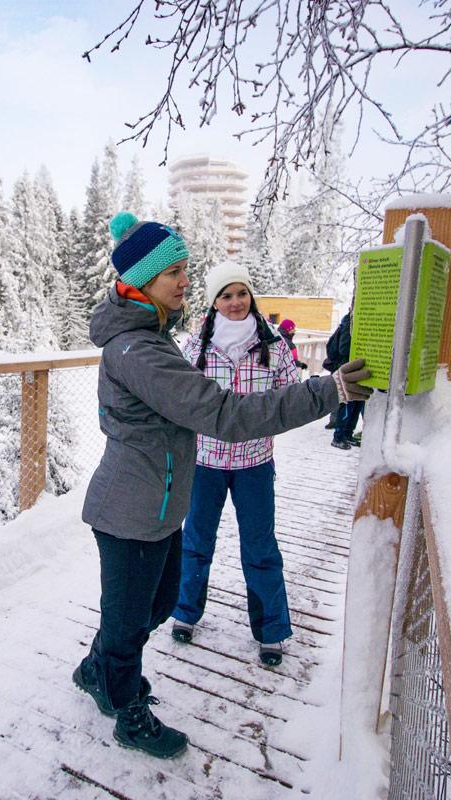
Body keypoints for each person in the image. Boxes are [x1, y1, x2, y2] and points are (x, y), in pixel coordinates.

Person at [73, 212, 372, 760]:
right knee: (127, 622)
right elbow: (223, 413)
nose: (186, 281)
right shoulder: (139, 350)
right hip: (130, 509)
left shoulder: (152, 339)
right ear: (141, 281)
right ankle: (125, 710)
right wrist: (326, 394)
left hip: (157, 504)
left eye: (186, 270)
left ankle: (99, 668)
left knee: (158, 604)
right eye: (175, 273)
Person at [171, 262, 298, 668]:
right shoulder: (196, 347)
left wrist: (265, 422)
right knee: (195, 541)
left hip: (255, 463)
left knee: (260, 547)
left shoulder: (274, 346)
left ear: (251, 296)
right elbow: (180, 400)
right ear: (214, 302)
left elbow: (291, 397)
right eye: (226, 295)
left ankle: (271, 630)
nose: (235, 302)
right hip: (205, 462)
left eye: (241, 293)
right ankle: (185, 612)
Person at [325, 309, 364, 449]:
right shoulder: (349, 323)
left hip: (357, 371)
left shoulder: (355, 322)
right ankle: (338, 436)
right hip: (348, 371)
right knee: (347, 404)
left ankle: (347, 435)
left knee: (357, 404)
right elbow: (343, 349)